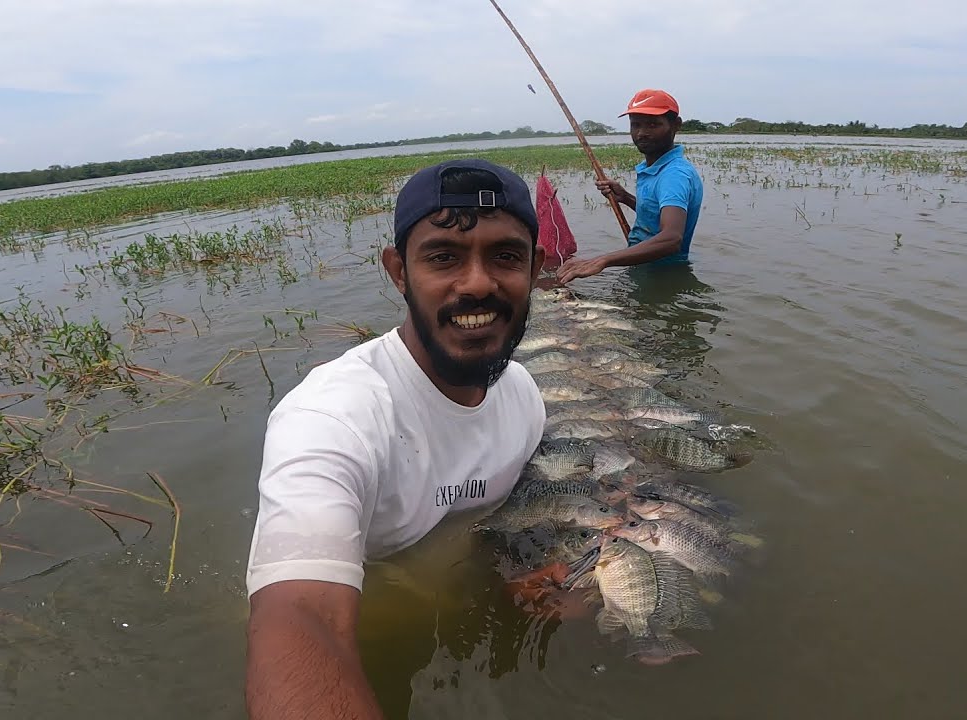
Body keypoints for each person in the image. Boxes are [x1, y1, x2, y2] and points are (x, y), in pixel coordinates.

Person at [243, 158, 548, 720]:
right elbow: (300, 617)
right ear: (398, 271)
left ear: (536, 269)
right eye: (443, 257)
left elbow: (517, 517)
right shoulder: (333, 416)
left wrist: (535, 571)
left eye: (506, 256)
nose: (478, 283)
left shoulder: (524, 395)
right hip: (374, 629)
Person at [555, 88, 705, 284]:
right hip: (645, 267)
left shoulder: (674, 174)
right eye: (636, 125)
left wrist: (603, 260)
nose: (642, 133)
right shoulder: (656, 168)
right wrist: (625, 198)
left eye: (653, 125)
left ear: (676, 125)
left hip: (661, 275)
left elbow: (671, 238)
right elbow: (657, 215)